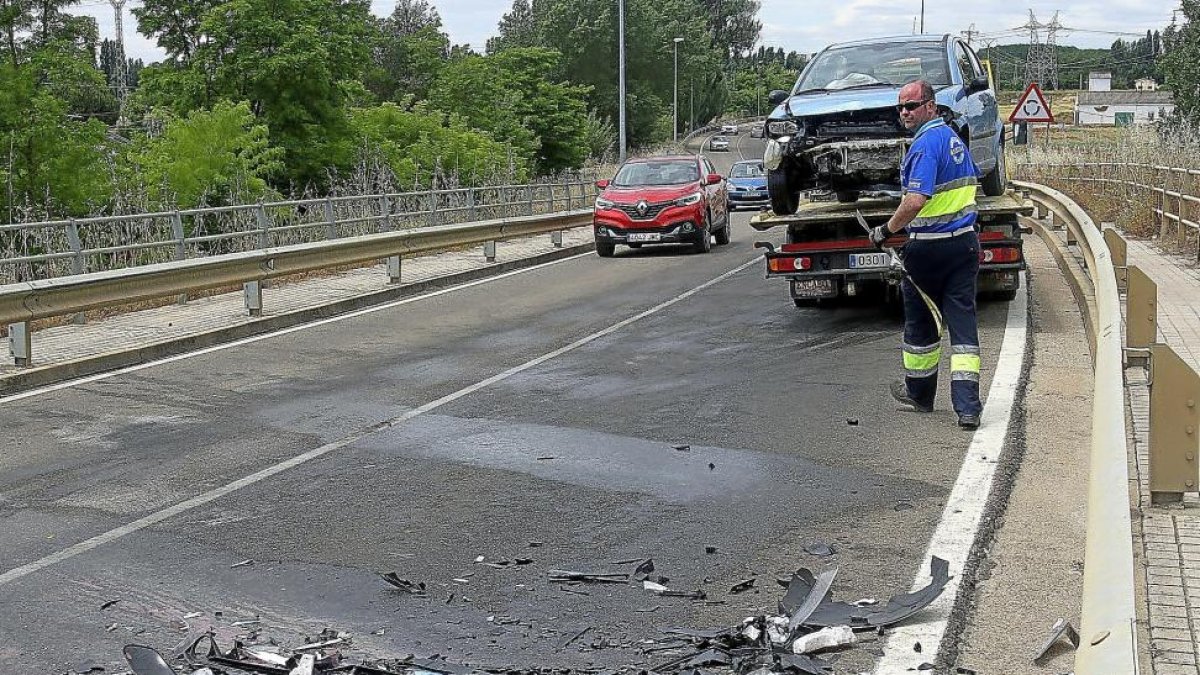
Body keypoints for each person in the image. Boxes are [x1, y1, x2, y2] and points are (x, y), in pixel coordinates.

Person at [868, 80, 983, 429]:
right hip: (964, 243)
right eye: (901, 107)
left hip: (929, 248)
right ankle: (968, 408)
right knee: (963, 326)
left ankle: (919, 394)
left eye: (912, 105)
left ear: (930, 106)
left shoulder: (924, 146)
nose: (905, 112)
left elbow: (916, 200)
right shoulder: (951, 139)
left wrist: (885, 231)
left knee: (920, 323)